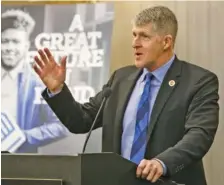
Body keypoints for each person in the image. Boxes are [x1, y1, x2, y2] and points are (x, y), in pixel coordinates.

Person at [33, 6, 219, 185]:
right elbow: (81, 120)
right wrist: (57, 90)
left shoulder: (198, 82)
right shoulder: (121, 79)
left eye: (144, 36)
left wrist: (162, 164)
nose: (134, 43)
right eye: (134, 35)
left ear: (166, 42)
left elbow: (199, 136)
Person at [1, 9, 69, 153]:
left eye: (15, 42)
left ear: (26, 46)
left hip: (20, 165)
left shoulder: (38, 83)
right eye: (4, 41)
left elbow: (61, 125)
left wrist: (24, 137)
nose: (9, 48)